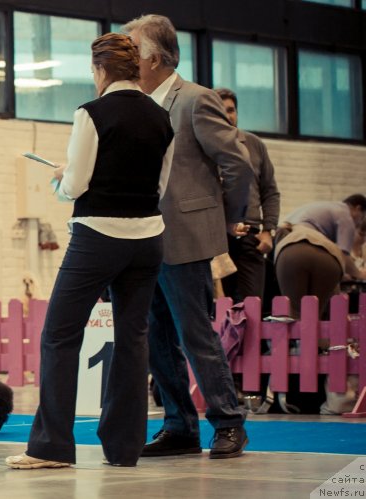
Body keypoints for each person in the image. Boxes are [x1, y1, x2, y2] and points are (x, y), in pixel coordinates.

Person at [5, 32, 174, 469]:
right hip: (148, 238)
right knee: (133, 341)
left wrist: (62, 178)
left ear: (100, 71)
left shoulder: (92, 113)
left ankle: (51, 446)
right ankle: (124, 449)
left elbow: (77, 185)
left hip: (98, 237)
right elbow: (160, 184)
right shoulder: (161, 116)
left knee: (60, 336)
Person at [121, 14, 252, 459]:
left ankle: (228, 421)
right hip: (143, 237)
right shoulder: (134, 103)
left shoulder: (196, 100)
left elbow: (237, 164)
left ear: (153, 58)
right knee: (156, 337)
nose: (123, 57)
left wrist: (224, 222)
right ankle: (179, 426)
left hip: (187, 236)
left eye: (130, 50)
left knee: (196, 334)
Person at [214, 88, 281, 305]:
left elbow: (270, 191)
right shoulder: (204, 146)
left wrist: (268, 231)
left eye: (232, 110)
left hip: (249, 234)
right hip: (216, 239)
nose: (228, 115)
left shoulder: (254, 144)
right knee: (217, 308)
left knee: (251, 305)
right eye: (222, 110)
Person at [274, 194, 366, 319]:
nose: (358, 223)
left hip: (287, 251)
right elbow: (343, 256)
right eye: (362, 217)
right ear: (358, 209)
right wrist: (360, 274)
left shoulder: (317, 208)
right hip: (322, 256)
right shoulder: (345, 216)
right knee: (315, 315)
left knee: (294, 313)